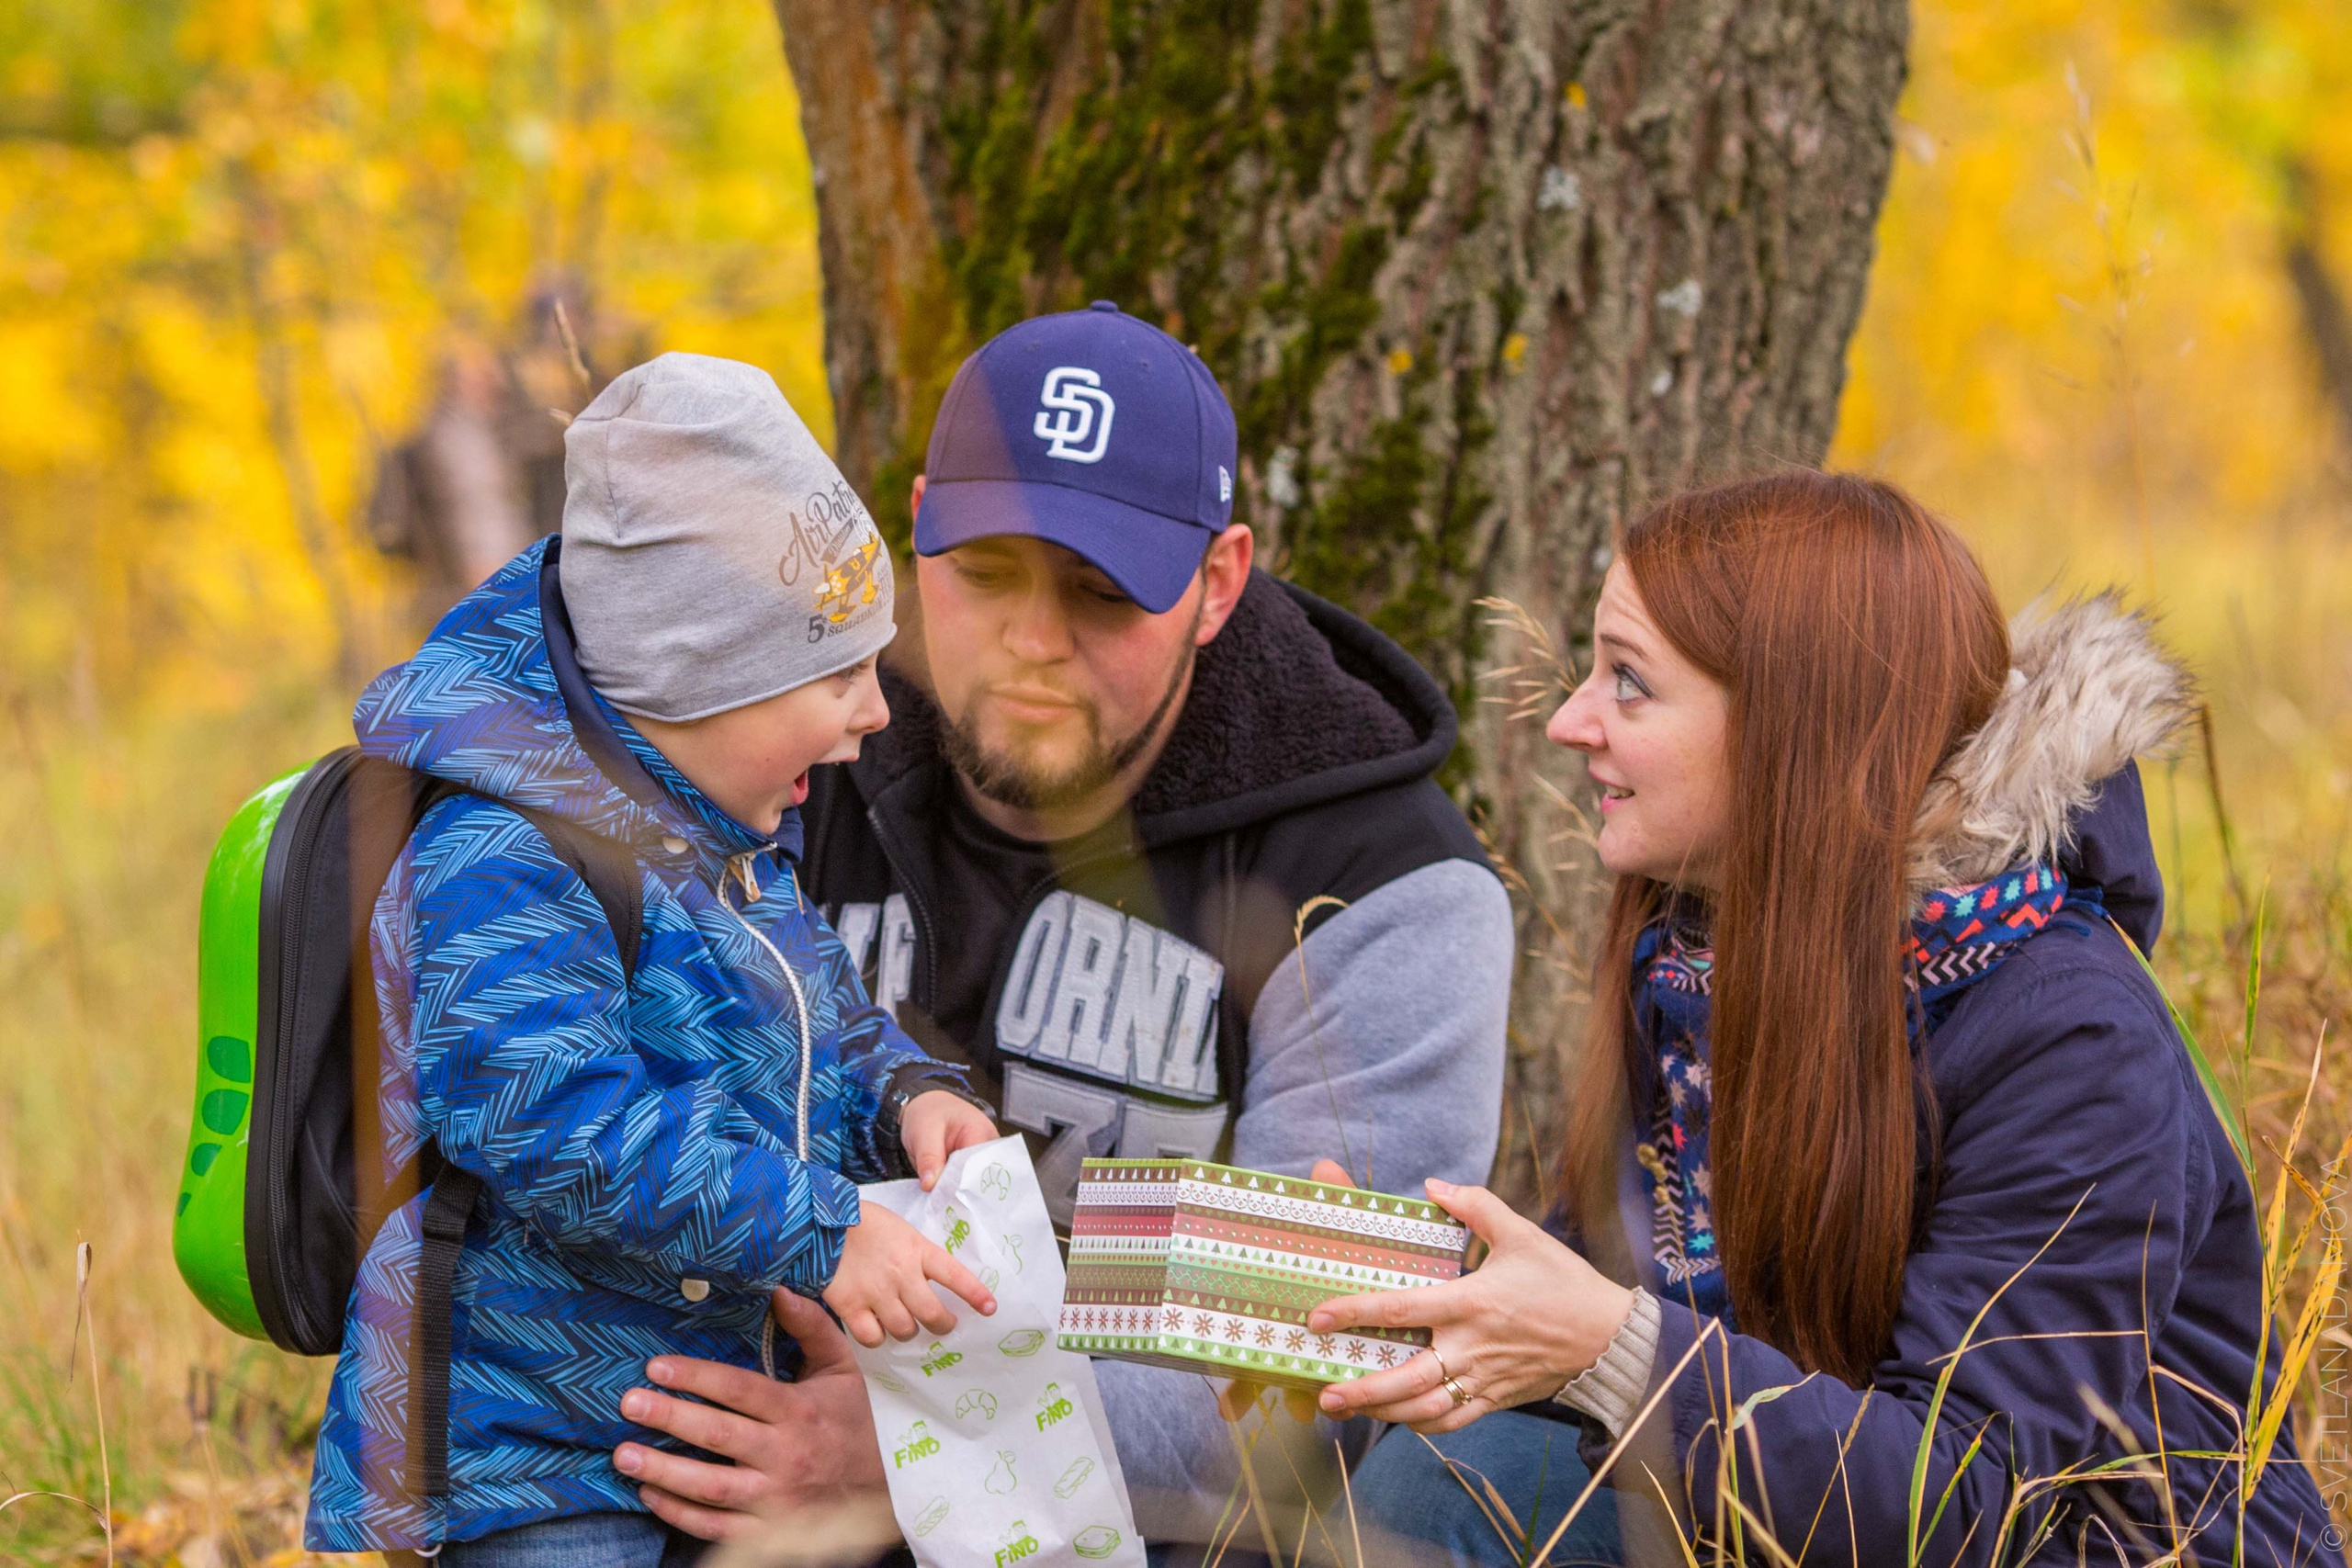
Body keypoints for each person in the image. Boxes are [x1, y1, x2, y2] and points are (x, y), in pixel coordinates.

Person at [1307, 470, 2339, 1565]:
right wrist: (1434, 1292)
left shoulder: (2068, 1042)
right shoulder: (1700, 961)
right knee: (1443, 1471)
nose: (1570, 723)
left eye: (1629, 684)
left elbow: (1967, 1502)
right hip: (1782, 1530)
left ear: (1798, 728)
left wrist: (1608, 1347)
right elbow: (1637, 1296)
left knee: (1474, 1487)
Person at [611, 302, 1514, 1547]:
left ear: (1218, 582)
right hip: (721, 1471)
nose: (1033, 641)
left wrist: (917, 1445)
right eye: (983, 575)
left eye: (1100, 592)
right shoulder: (775, 757)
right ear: (914, 531)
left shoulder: (1377, 881)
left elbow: (1328, 1365)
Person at [304, 354, 1001, 1567]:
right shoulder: (500, 850)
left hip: (683, 1421)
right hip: (534, 1464)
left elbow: (825, 1017)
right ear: (700, 678)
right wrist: (824, 1226)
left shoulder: (718, 834)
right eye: (835, 672)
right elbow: (550, 1117)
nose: (875, 711)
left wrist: (908, 1092)